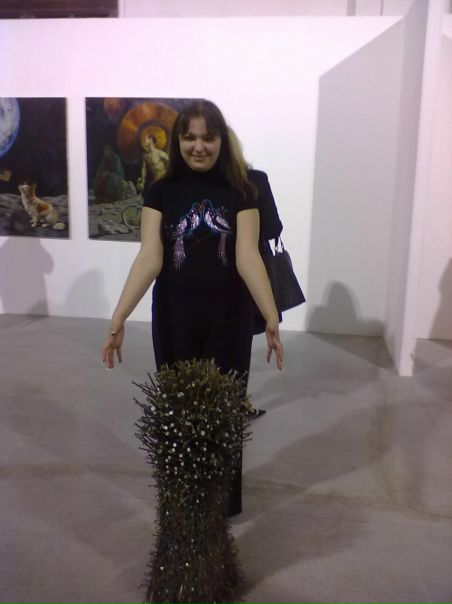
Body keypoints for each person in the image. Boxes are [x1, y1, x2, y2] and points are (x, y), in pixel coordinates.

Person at [101, 99, 283, 516]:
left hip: (229, 319)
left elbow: (248, 257)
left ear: (222, 141)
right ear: (177, 140)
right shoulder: (161, 191)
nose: (198, 146)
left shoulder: (243, 191)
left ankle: (220, 507)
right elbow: (149, 257)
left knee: (223, 413)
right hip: (174, 318)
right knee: (178, 410)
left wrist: (271, 316)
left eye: (208, 137)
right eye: (189, 137)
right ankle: (183, 500)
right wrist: (118, 317)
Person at [227, 128, 284, 419]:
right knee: (239, 342)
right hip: (246, 275)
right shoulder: (255, 180)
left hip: (209, 272)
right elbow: (273, 227)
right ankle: (238, 402)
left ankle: (209, 404)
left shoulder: (195, 185)